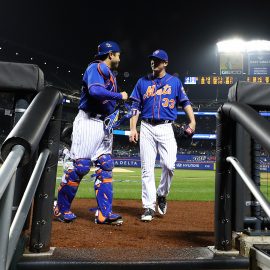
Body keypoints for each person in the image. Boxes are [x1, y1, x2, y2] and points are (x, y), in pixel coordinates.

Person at [54, 41, 128, 225]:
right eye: (118, 54)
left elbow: (106, 101)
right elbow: (95, 91)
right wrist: (120, 96)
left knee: (106, 165)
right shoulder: (95, 68)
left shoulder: (110, 74)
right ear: (110, 54)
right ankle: (61, 208)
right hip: (88, 121)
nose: (119, 57)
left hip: (103, 124)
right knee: (80, 167)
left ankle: (104, 214)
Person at [129, 49, 196, 222]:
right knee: (146, 169)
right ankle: (149, 207)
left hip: (166, 128)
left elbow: (185, 102)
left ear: (165, 63)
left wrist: (193, 122)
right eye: (152, 59)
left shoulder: (174, 82)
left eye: (158, 60)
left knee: (169, 165)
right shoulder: (142, 82)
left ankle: (161, 194)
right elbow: (135, 106)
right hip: (146, 127)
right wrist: (133, 128)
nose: (154, 62)